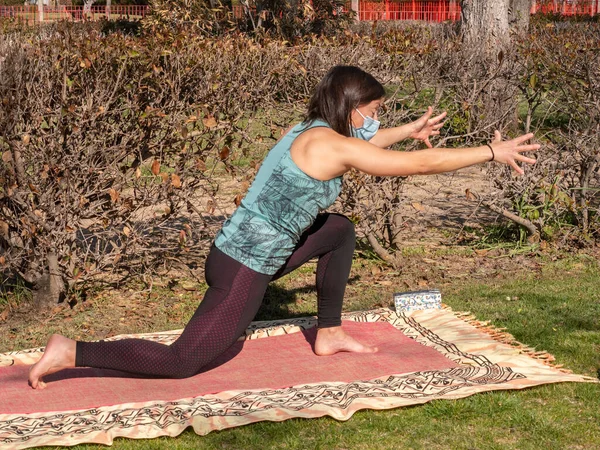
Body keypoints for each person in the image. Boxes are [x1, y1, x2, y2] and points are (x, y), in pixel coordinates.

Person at [28, 65, 538, 389]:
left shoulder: (310, 129)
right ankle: (73, 350)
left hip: (246, 250)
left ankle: (329, 333)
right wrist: (492, 152)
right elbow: (416, 167)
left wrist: (408, 131)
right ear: (353, 108)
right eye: (376, 113)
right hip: (243, 265)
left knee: (337, 229)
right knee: (185, 361)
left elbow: (364, 148)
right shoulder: (330, 144)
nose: (378, 122)